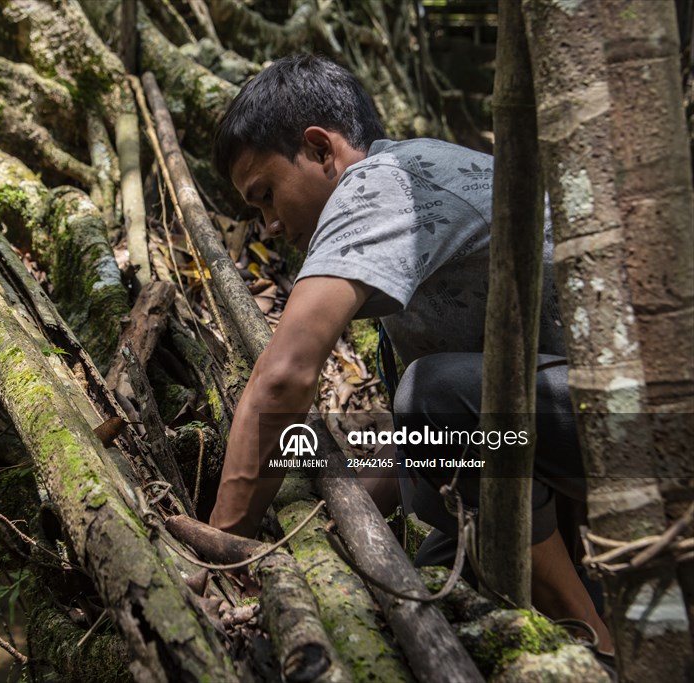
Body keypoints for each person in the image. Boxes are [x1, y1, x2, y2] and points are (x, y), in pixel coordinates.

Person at [206, 53, 612, 652]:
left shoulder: (379, 182)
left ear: (322, 150)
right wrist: (358, 503)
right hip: (575, 419)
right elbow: (452, 439)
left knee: (433, 395)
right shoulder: (411, 186)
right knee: (432, 529)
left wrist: (223, 547)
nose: (266, 224)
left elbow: (283, 378)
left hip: (630, 416)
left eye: (265, 195)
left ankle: (598, 647)